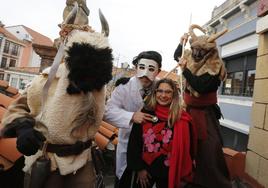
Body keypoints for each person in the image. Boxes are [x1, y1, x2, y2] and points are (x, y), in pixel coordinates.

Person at [0, 3, 113, 188]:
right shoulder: (48, 78)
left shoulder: (98, 84)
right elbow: (19, 107)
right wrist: (23, 129)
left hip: (84, 161)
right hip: (50, 161)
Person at [174, 24, 232, 188]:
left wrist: (185, 70)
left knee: (209, 149)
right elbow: (177, 56)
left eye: (201, 51)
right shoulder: (190, 55)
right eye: (195, 50)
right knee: (186, 144)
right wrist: (181, 42)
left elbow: (201, 86)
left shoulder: (216, 66)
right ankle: (190, 176)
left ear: (209, 51)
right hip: (188, 110)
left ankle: (214, 182)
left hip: (205, 114)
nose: (197, 54)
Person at [104, 50, 162, 188]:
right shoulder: (123, 87)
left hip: (152, 147)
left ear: (158, 71)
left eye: (151, 69)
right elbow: (108, 111)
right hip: (128, 143)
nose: (145, 73)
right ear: (136, 67)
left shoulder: (161, 87)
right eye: (141, 67)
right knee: (125, 180)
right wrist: (131, 116)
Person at [127, 78, 192, 188]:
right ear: (155, 92)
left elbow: (187, 147)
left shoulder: (180, 117)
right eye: (160, 91)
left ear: (174, 95)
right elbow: (134, 142)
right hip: (146, 171)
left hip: (169, 172)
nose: (163, 95)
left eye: (168, 92)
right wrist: (139, 169)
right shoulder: (145, 113)